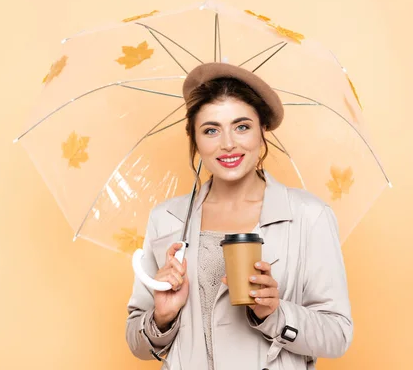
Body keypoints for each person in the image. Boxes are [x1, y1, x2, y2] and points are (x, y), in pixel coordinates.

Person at [125, 62, 353, 370]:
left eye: (242, 126)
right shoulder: (166, 219)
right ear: (194, 139)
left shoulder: (309, 217)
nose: (228, 143)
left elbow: (338, 334)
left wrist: (275, 313)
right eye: (211, 130)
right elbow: (137, 343)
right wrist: (161, 318)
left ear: (262, 131)